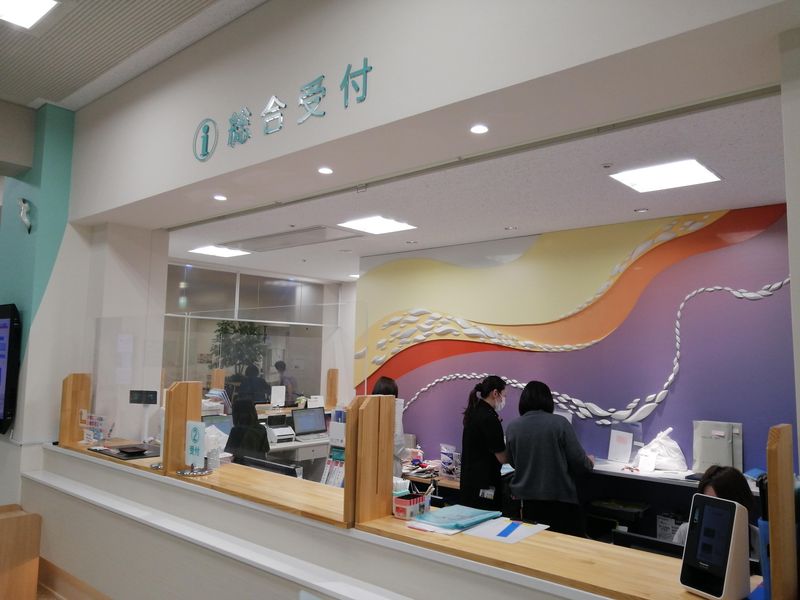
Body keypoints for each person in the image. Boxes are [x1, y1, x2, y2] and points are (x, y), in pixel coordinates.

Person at [505, 380, 594, 537]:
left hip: (526, 503)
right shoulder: (560, 423)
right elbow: (580, 463)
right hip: (560, 502)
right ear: (548, 400)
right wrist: (590, 461)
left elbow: (513, 461)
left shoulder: (513, 427)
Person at [673, 465, 760, 559]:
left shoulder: (759, 540)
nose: (712, 513)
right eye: (707, 503)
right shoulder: (685, 533)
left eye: (719, 505)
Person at [459, 375, 508, 511]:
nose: (504, 400)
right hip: (485, 485)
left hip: (469, 483)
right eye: (504, 396)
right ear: (495, 393)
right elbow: (502, 458)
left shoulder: (474, 412)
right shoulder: (490, 418)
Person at [372, 376, 405, 477]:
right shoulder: (394, 412)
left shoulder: (369, 410)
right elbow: (397, 446)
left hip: (371, 468)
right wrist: (409, 453)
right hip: (389, 469)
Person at [224, 399, 270, 465]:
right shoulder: (261, 428)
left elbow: (229, 454)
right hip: (259, 467)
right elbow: (266, 450)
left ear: (236, 415)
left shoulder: (236, 431)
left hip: (242, 467)